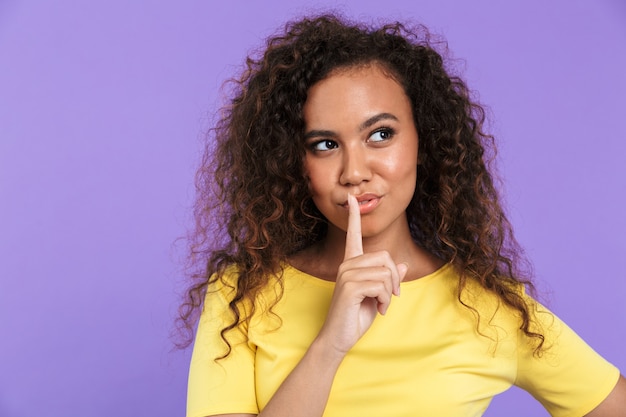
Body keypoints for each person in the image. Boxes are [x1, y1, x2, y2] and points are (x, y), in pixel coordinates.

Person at [180, 13, 625, 417]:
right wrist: (330, 344)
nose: (354, 173)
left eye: (380, 134)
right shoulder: (242, 294)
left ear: (423, 141)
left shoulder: (491, 310)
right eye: (325, 145)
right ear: (292, 163)